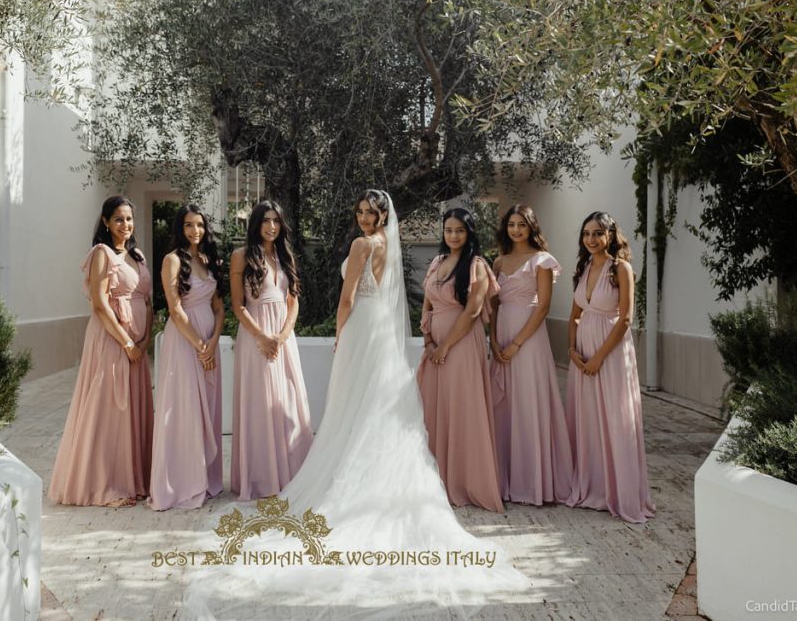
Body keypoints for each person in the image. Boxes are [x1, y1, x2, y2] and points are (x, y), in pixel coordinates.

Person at [182, 190, 529, 618]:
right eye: (361, 211)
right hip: (382, 333)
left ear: (383, 215)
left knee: (354, 408)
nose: (364, 218)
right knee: (376, 409)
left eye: (372, 212)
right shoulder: (388, 245)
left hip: (362, 330)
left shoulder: (363, 244)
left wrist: (341, 334)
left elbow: (346, 299)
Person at [48, 195, 153, 507]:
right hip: (112, 341)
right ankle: (104, 486)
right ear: (106, 222)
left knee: (130, 411)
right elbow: (99, 303)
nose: (125, 225)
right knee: (109, 409)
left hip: (137, 345)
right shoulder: (102, 254)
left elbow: (147, 300)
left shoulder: (137, 255)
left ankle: (134, 480)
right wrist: (128, 342)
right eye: (119, 219)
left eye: (129, 219)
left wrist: (144, 340)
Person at [565, 211, 655, 523]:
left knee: (616, 418)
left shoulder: (622, 268)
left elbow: (627, 318)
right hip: (583, 353)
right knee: (589, 419)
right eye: (586, 233)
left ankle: (621, 493)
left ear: (610, 236)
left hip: (612, 353)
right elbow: (575, 314)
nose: (591, 239)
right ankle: (594, 488)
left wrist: (599, 357)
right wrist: (572, 351)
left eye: (597, 233)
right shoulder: (584, 267)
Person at [416, 208, 503, 513]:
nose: (453, 236)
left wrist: (446, 347)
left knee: (463, 409)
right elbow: (426, 305)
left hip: (463, 346)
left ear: (469, 233)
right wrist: (428, 341)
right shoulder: (437, 263)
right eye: (449, 230)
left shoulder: (477, 265)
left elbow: (472, 312)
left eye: (459, 231)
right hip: (435, 347)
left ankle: (466, 481)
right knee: (434, 408)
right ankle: (436, 478)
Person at [489, 204, 574, 505]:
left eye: (521, 225)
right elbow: (493, 305)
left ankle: (535, 483)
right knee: (505, 406)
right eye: (511, 224)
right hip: (501, 336)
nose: (515, 230)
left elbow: (544, 307)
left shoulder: (542, 260)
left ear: (531, 227)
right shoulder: (498, 262)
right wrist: (494, 342)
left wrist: (516, 344)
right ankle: (506, 479)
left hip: (529, 340)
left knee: (529, 403)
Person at [229, 200, 313, 500]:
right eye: (266, 220)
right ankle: (262, 477)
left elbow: (293, 301)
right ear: (255, 223)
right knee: (261, 404)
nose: (272, 226)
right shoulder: (240, 257)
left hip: (283, 337)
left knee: (288, 401)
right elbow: (238, 306)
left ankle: (291, 474)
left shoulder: (284, 255)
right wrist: (263, 337)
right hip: (255, 337)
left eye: (277, 220)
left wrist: (282, 335)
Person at [148, 204, 225, 510]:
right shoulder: (171, 260)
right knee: (182, 408)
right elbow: (175, 309)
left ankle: (205, 478)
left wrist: (213, 340)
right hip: (184, 342)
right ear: (180, 228)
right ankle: (180, 483)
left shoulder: (208, 260)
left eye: (200, 225)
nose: (196, 231)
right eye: (189, 225)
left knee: (207, 405)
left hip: (209, 339)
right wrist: (198, 345)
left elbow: (219, 307)